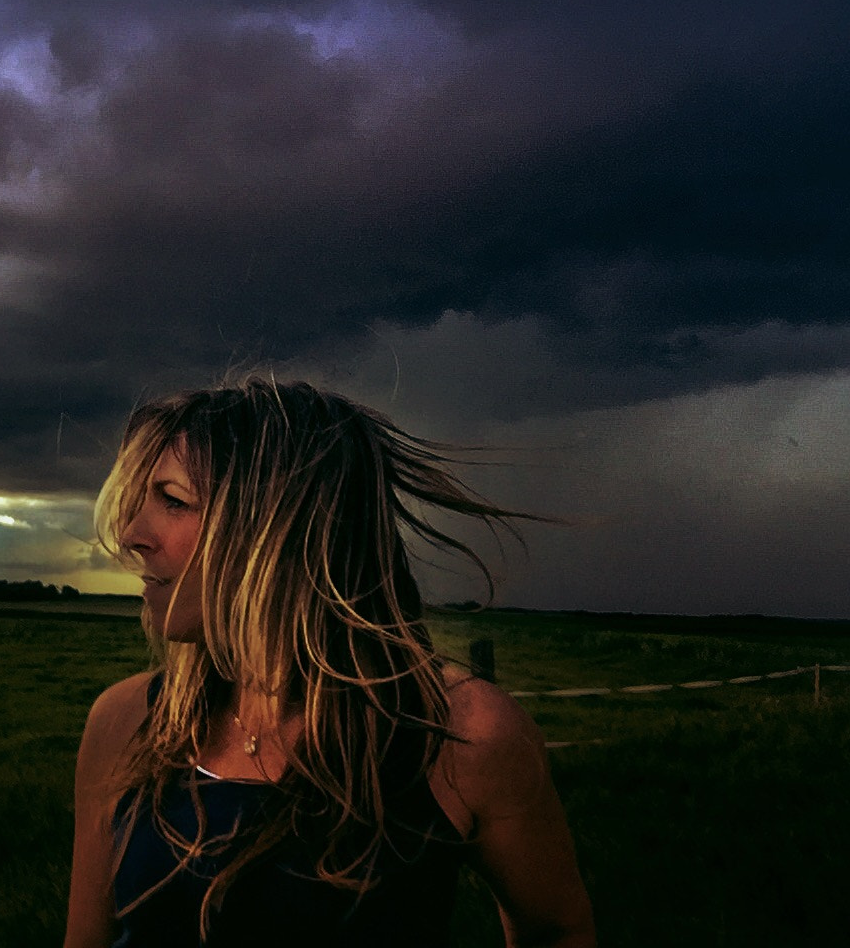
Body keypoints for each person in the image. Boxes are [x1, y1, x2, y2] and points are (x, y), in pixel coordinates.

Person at [64, 379, 596, 948]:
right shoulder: (124, 722)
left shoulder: (462, 738)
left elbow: (556, 930)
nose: (131, 535)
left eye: (173, 499)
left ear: (281, 526)